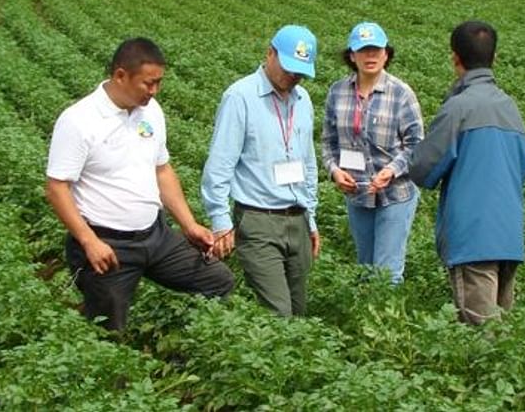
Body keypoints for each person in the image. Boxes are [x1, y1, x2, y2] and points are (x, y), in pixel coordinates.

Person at [45, 38, 234, 331]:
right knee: (108, 332)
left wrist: (189, 225)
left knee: (217, 280)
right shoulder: (78, 121)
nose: (154, 91)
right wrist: (89, 241)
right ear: (121, 75)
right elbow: (57, 188)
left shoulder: (151, 111)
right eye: (148, 83)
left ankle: (182, 348)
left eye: (159, 82)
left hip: (155, 236)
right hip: (107, 244)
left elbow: (162, 170)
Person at [409, 21, 525, 324]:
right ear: (495, 57)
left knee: (481, 334)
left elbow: (423, 169)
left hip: (473, 237)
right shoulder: (510, 108)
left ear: (455, 58)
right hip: (508, 235)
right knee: (500, 330)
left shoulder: (459, 108)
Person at [201, 25, 320, 317]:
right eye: (288, 68)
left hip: (298, 219)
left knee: (299, 312)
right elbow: (219, 165)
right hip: (258, 220)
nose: (293, 77)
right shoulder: (240, 97)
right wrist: (220, 220)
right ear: (270, 53)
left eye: (300, 72)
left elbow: (308, 162)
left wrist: (312, 218)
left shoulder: (303, 100)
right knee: (278, 312)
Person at [322, 21, 424, 284]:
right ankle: (367, 322)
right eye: (363, 50)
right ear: (351, 56)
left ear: (386, 55)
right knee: (366, 270)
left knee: (387, 273)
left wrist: (391, 170)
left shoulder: (401, 93)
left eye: (376, 50)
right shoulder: (337, 92)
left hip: (395, 193)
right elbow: (329, 143)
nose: (370, 56)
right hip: (358, 194)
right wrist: (334, 172)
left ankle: (387, 323)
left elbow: (416, 144)